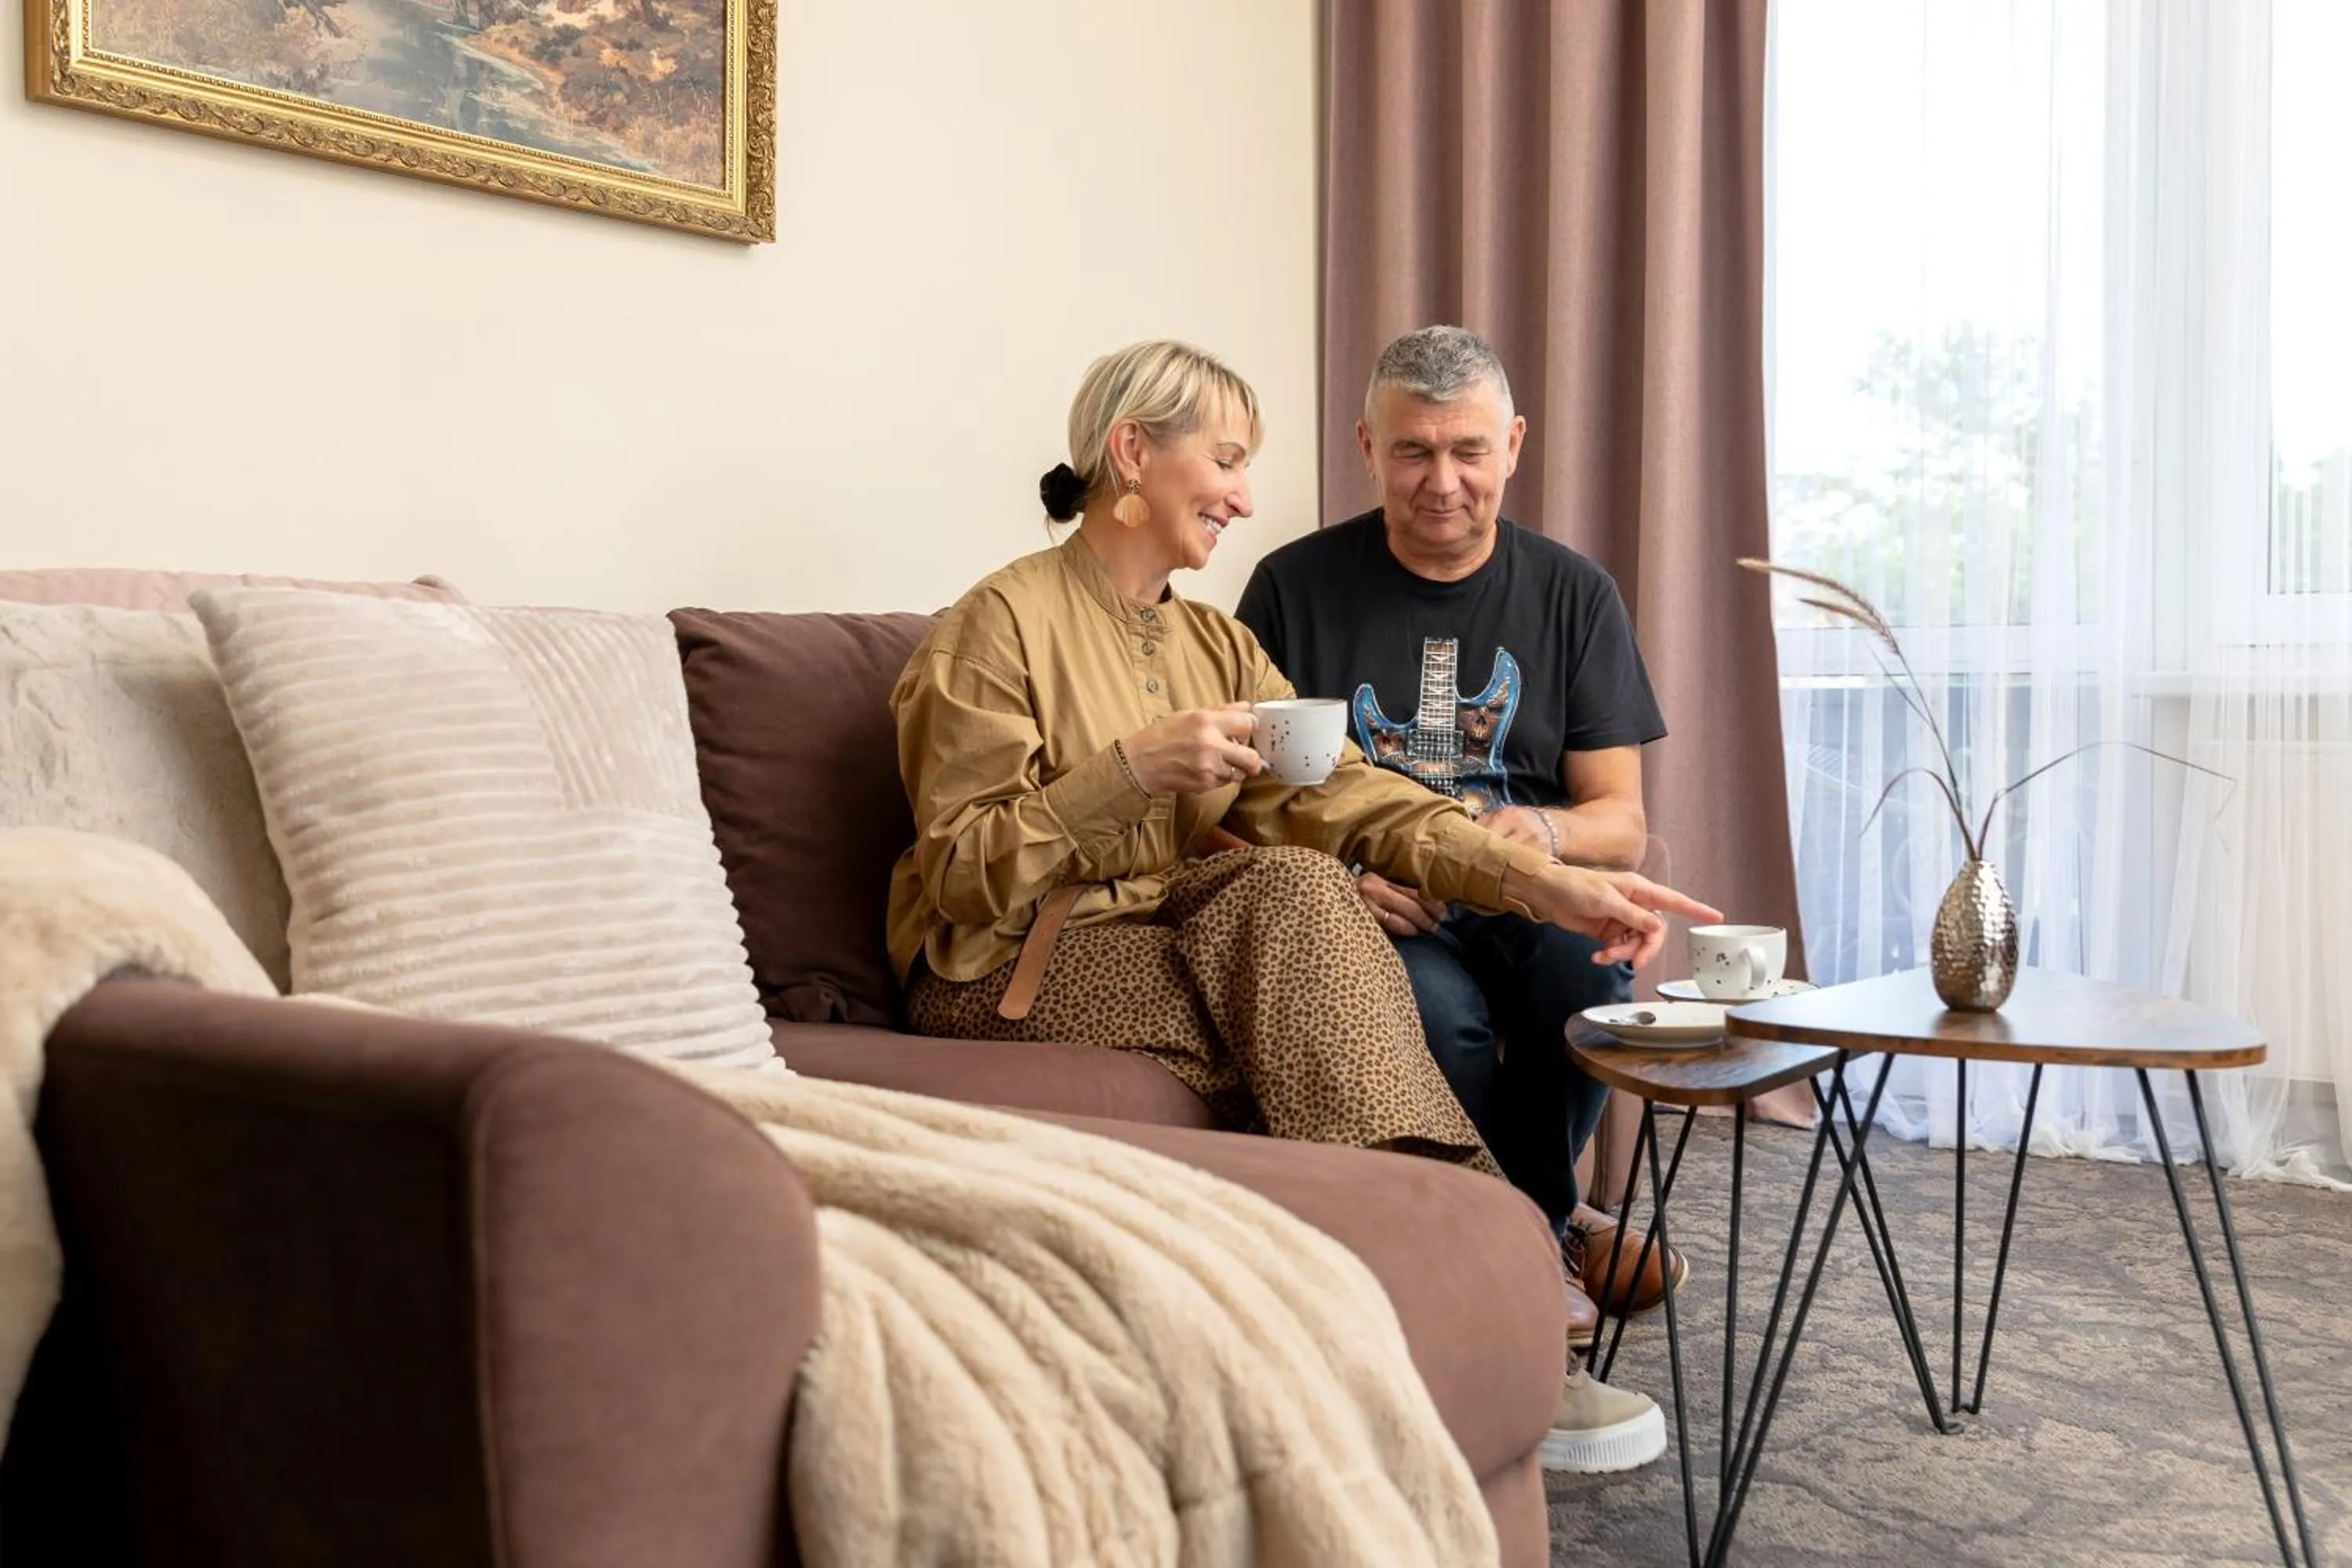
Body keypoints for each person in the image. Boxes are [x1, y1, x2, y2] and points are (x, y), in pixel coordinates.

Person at [887, 338, 1720, 1475]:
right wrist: (1127, 771)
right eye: (1225, 461)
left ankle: (1459, 1293)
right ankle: (1485, 1299)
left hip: (1158, 934)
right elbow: (961, 875)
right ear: (1132, 453)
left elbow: (1347, 795)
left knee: (1299, 882)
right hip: (1006, 968)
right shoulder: (995, 626)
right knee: (1323, 984)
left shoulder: (1213, 643)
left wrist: (1544, 881)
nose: (1242, 494)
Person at [1236, 324, 1688, 1330]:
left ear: (1514, 444)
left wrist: (1542, 834)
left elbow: (1620, 817)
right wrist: (1338, 876)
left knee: (1588, 979)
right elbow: (1244, 804)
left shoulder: (1576, 594)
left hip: (1530, 892)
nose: (1442, 479)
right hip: (1383, 904)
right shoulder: (1287, 588)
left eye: (1468, 449)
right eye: (1413, 450)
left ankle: (1523, 1229)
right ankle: (1555, 1232)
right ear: (1366, 447)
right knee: (1444, 1019)